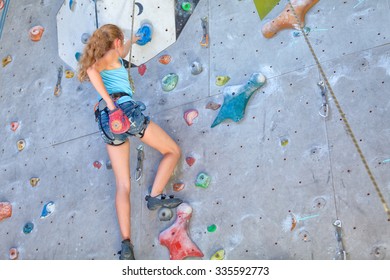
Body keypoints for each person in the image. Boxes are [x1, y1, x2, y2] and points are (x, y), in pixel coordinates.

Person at [77, 24, 182, 260]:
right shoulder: (106, 58)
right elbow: (92, 70)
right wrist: (113, 104)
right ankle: (155, 196)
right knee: (172, 151)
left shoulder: (110, 55)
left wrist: (132, 39)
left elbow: (119, 54)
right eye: (121, 41)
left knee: (123, 185)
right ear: (114, 43)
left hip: (106, 121)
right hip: (123, 111)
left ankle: (126, 244)